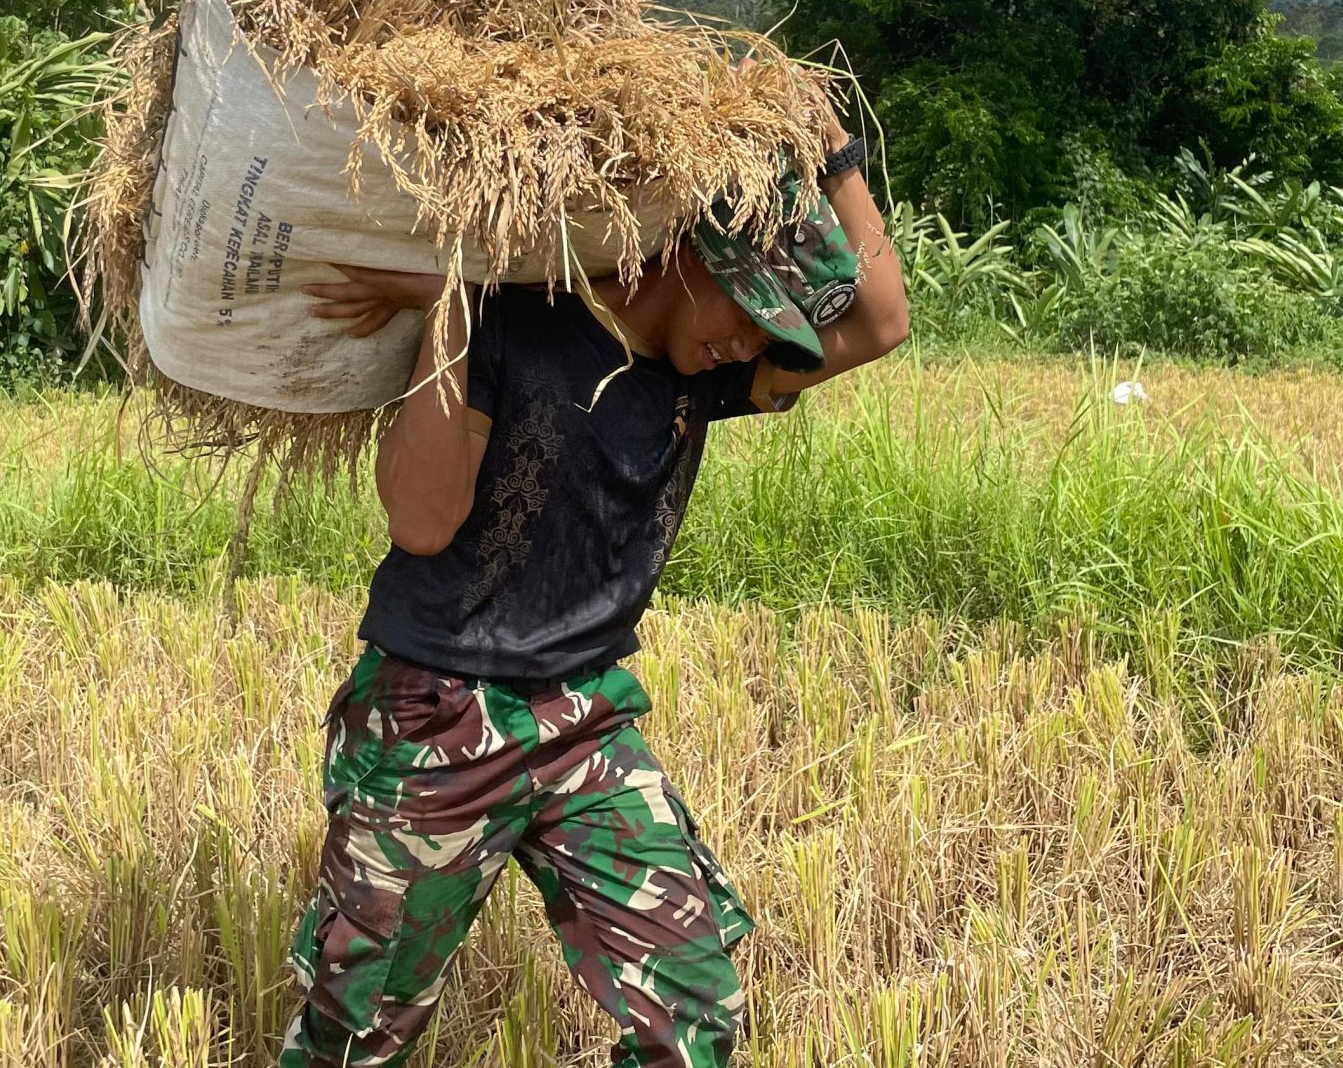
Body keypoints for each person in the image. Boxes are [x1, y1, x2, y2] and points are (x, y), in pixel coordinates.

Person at [284, 120, 906, 1067]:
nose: (747, 343)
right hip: (438, 723)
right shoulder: (520, 323)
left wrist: (834, 157)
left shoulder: (713, 367)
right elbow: (420, 522)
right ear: (681, 252)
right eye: (743, 313)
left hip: (589, 721)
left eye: (769, 332)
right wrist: (452, 301)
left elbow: (877, 323)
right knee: (356, 1038)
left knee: (693, 1019)